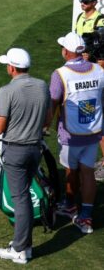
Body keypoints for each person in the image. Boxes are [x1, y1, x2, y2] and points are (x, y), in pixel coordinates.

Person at [0, 48, 51, 264]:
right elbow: (47, 119)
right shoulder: (42, 86)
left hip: (15, 151)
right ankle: (27, 247)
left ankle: (19, 249)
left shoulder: (6, 91)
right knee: (23, 196)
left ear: (12, 68)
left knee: (21, 199)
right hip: (35, 149)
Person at [49, 32, 102, 234]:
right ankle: (86, 217)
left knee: (71, 171)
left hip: (71, 134)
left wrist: (45, 126)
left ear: (66, 52)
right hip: (93, 130)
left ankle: (70, 205)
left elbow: (53, 103)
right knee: (88, 173)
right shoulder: (98, 70)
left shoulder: (60, 74)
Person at [71, 0, 104, 182]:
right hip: (85, 71)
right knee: (92, 119)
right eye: (81, 1)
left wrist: (92, 58)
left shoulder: (100, 20)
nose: (82, 4)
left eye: (85, 1)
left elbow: (101, 50)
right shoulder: (79, 17)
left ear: (94, 2)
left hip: (95, 72)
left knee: (99, 121)